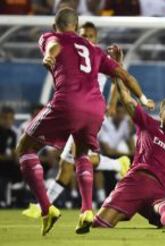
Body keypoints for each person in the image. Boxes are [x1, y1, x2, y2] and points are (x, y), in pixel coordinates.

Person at [16, 7, 154, 236]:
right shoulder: (95, 50)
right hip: (94, 110)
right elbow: (124, 75)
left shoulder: (51, 37)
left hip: (68, 103)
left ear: (55, 26)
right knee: (81, 155)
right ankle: (87, 210)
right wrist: (144, 98)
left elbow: (53, 46)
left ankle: (45, 208)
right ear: (77, 27)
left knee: (25, 147)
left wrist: (49, 56)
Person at [21, 22, 132, 220]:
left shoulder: (95, 56)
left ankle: (117, 165)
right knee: (67, 164)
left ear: (96, 38)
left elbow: (118, 78)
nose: (87, 37)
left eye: (91, 35)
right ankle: (44, 205)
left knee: (75, 159)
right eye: (84, 34)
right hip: (77, 111)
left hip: (90, 114)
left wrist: (113, 104)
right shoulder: (76, 54)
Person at [92, 81, 165, 232]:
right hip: (136, 182)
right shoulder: (148, 124)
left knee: (164, 207)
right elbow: (127, 99)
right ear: (160, 115)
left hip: (161, 191)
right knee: (99, 225)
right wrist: (119, 73)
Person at [0, 106, 21, 207]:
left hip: (8, 167)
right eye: (4, 118)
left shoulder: (13, 134)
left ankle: (15, 196)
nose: (7, 121)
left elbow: (14, 153)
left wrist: (16, 157)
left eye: (10, 118)